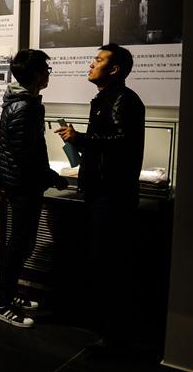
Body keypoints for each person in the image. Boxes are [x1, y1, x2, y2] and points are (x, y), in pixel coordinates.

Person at [55, 43, 145, 346]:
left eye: (98, 60)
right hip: (103, 191)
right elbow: (108, 142)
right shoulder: (108, 98)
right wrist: (80, 140)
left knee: (111, 261)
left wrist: (81, 137)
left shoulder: (122, 99)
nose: (91, 64)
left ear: (115, 69)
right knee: (102, 258)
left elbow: (121, 141)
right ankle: (105, 326)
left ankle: (114, 334)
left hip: (112, 194)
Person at [0, 49, 68, 328]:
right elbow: (27, 155)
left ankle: (10, 293)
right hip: (23, 185)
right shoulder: (25, 106)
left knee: (21, 244)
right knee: (20, 245)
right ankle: (2, 303)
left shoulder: (25, 101)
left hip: (22, 182)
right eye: (47, 70)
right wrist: (51, 176)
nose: (49, 74)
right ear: (36, 74)